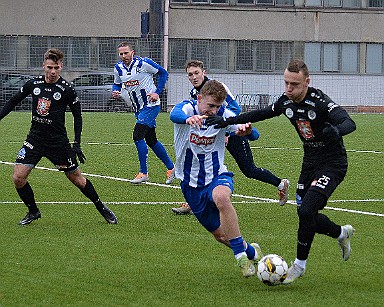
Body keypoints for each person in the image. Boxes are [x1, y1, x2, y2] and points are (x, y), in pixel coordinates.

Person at [206, 59, 356, 284]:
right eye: (286, 82)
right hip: (310, 162)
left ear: (307, 82)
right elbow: (260, 114)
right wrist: (227, 120)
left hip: (332, 163)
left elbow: (349, 123)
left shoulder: (320, 101)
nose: (288, 88)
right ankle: (341, 233)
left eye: (294, 84)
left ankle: (299, 266)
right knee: (306, 214)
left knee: (306, 211)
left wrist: (336, 130)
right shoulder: (286, 102)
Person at [0, 48, 117, 225]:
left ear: (61, 67)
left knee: (77, 179)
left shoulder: (67, 89)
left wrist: (76, 143)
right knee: (18, 177)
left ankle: (102, 208)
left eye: (56, 68)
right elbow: (13, 101)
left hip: (58, 143)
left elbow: (77, 116)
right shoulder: (33, 84)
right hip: (35, 139)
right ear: (43, 66)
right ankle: (33, 211)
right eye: (49, 67)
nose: (53, 72)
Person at [170, 79, 263, 277]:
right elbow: (174, 114)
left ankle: (241, 259)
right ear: (200, 98)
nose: (213, 110)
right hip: (190, 185)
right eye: (210, 105)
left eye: (218, 106)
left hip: (217, 175)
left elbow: (254, 134)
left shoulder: (223, 116)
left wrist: (247, 132)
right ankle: (252, 252)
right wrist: (188, 120)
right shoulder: (187, 108)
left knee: (222, 197)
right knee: (221, 236)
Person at [171, 60, 289, 215]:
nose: (193, 77)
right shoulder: (195, 94)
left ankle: (280, 183)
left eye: (196, 73)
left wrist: (227, 131)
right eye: (190, 74)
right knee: (198, 162)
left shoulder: (218, 88)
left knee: (249, 170)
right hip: (214, 132)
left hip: (231, 131)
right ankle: (193, 202)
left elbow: (235, 109)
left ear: (203, 72)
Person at [112, 42, 175, 184]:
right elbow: (116, 83)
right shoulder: (118, 68)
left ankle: (143, 172)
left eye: (126, 53)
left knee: (137, 135)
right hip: (138, 108)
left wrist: (157, 93)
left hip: (151, 106)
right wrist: (115, 90)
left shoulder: (143, 63)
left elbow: (163, 73)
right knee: (151, 140)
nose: (123, 56)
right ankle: (171, 168)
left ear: (132, 52)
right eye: (121, 54)